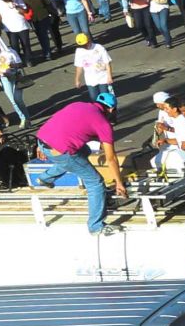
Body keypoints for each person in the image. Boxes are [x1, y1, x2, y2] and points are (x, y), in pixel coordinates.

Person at [25, 97, 119, 230]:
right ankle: (96, 226)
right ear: (111, 109)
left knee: (84, 151)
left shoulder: (78, 104)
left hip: (42, 142)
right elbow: (111, 158)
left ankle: (45, 178)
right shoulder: (103, 123)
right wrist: (119, 183)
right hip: (62, 151)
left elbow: (54, 121)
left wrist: (40, 145)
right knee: (95, 182)